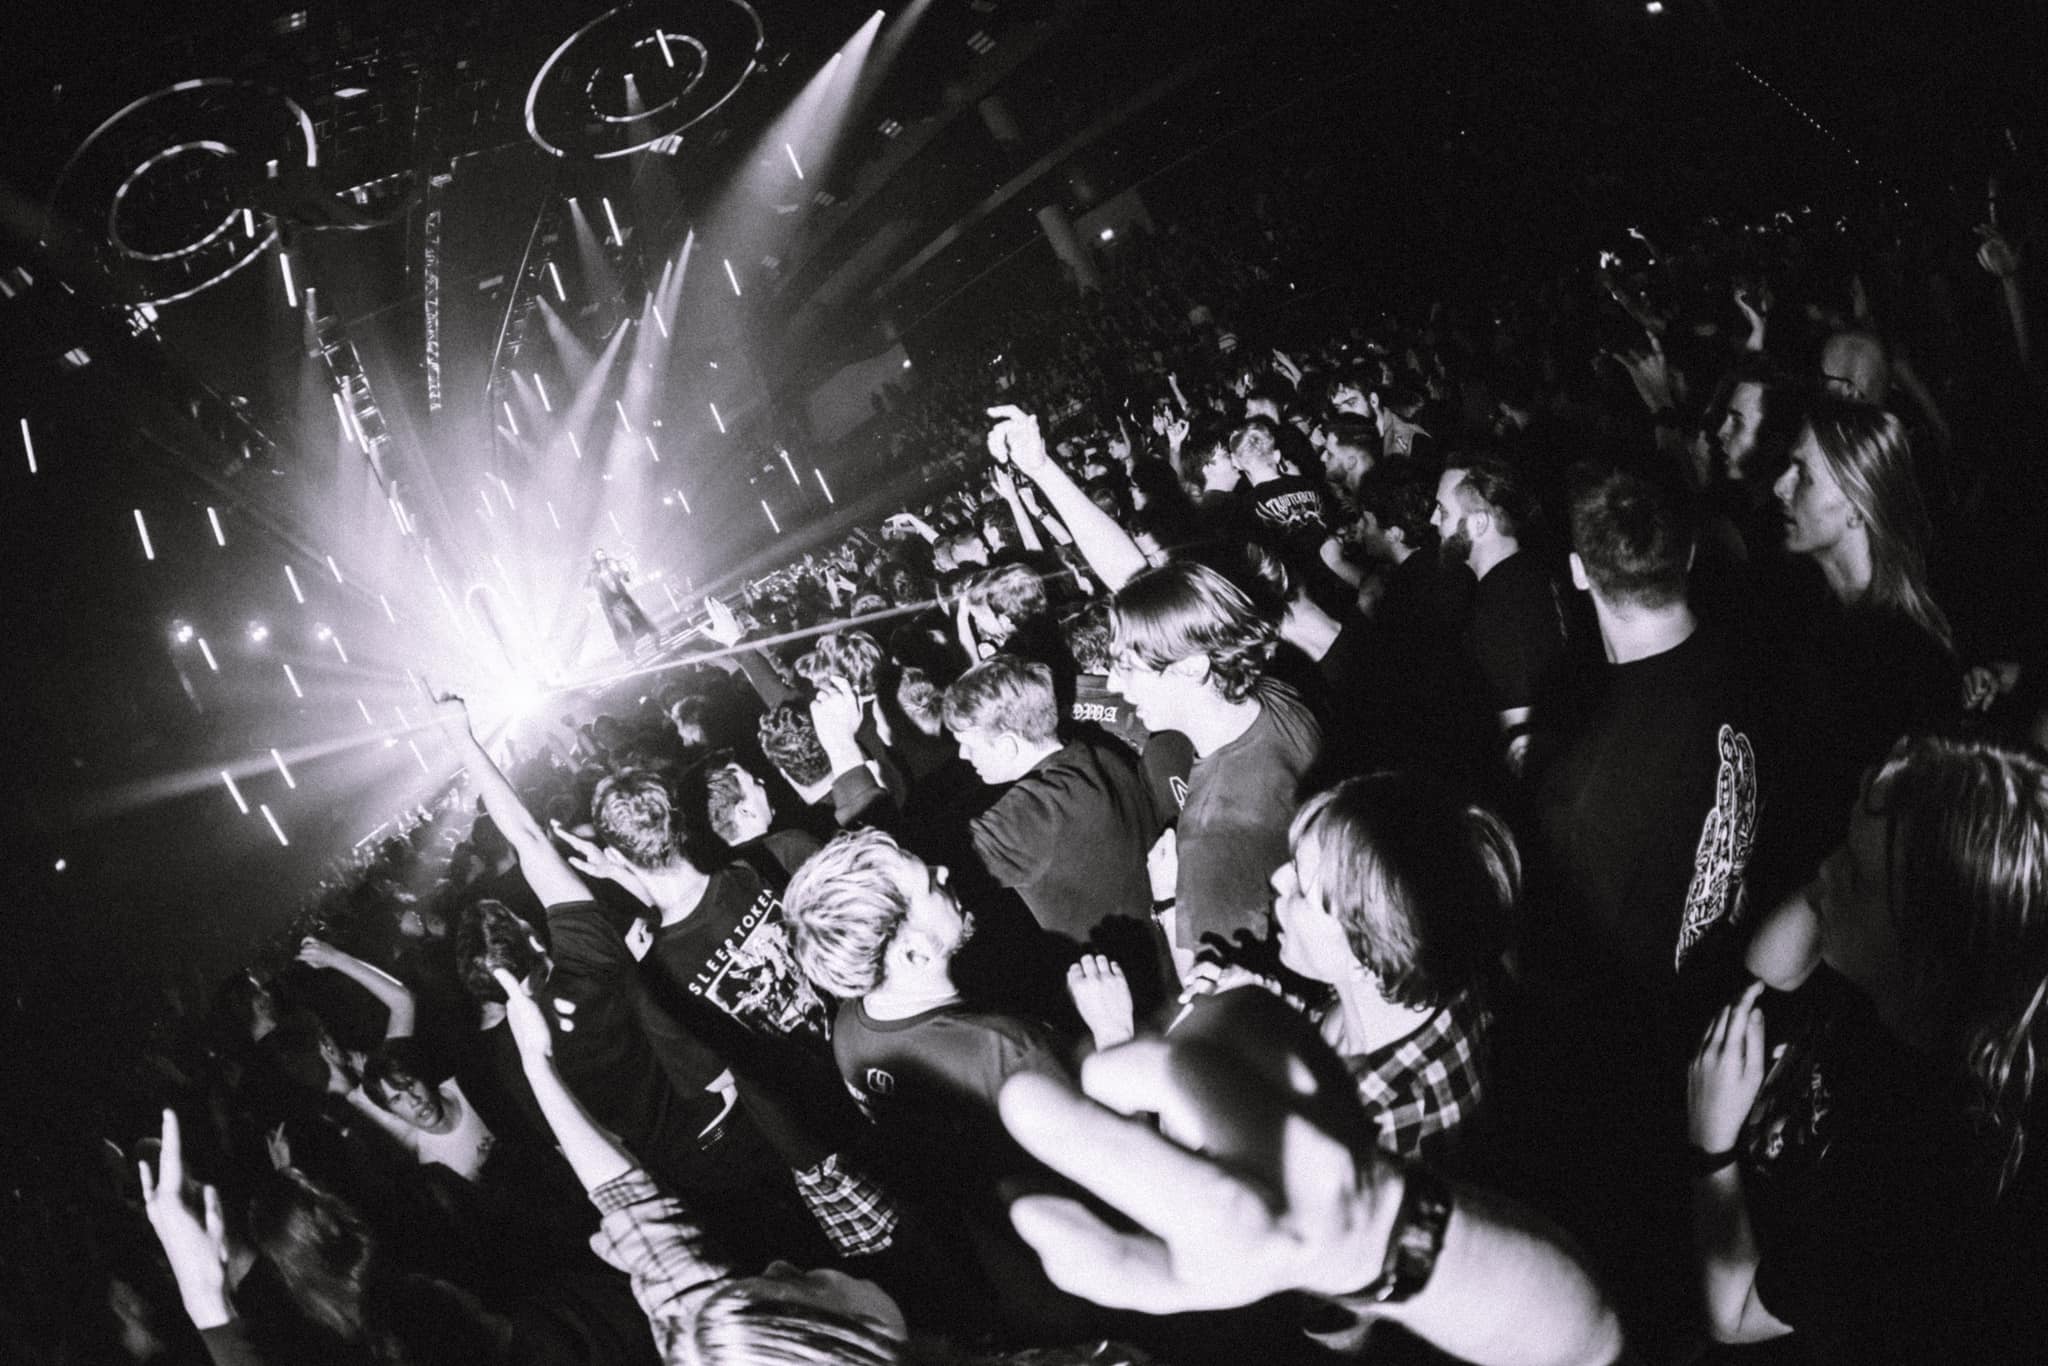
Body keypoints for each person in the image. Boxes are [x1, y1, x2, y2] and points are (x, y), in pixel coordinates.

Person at [1692, 737, 2048, 1361]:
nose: (1825, 870)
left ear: (1925, 963)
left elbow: (1733, 1313)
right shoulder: (1904, 977)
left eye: (1856, 876)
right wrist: (1869, 846)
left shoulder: (1919, 1182)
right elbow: (1767, 968)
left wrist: (1710, 1147)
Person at [1107, 560, 1323, 962]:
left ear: (1191, 666)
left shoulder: (1210, 838)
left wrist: (1168, 899)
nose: (1112, 684)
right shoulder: (1276, 696)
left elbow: (1214, 987)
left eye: (1127, 668)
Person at [943, 655, 1173, 1008]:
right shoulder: (1102, 754)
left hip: (1117, 1003)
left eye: (969, 744)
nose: (962, 755)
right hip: (1160, 970)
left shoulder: (1026, 818)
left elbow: (920, 877)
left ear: (1007, 746)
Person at [1432, 453, 1572, 776]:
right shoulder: (1529, 572)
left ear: (1479, 523)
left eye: (1443, 511)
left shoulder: (1501, 605)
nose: (1432, 520)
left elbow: (1521, 748)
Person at [588, 549, 659, 657]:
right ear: (595, 558)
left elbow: (626, 579)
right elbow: (599, 591)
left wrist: (623, 571)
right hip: (613, 605)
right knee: (625, 628)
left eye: (603, 552)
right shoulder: (595, 575)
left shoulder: (612, 566)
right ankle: (630, 653)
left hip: (624, 600)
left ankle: (656, 640)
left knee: (642, 620)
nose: (602, 554)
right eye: (599, 553)